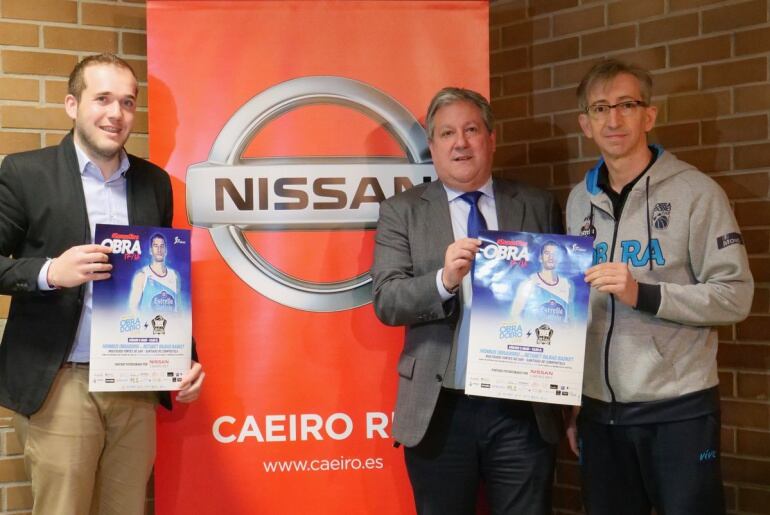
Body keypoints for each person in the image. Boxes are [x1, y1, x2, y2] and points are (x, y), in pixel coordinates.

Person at [0, 53, 205, 515]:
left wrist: (184, 358)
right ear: (72, 105)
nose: (116, 114)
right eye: (103, 99)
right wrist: (49, 271)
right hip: (61, 383)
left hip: (136, 382)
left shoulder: (155, 183)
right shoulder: (25, 174)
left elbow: (164, 280)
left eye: (128, 102)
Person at [565, 59, 753, 515]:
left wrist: (643, 294)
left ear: (649, 116)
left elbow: (735, 296)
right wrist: (573, 403)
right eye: (601, 108)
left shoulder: (696, 193)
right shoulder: (576, 201)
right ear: (585, 124)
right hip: (599, 414)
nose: (614, 119)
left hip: (678, 411)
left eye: (627, 105)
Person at [372, 87, 563, 515]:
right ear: (433, 146)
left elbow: (562, 298)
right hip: (440, 409)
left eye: (471, 129)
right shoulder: (402, 211)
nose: (460, 142)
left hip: (521, 408)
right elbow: (386, 300)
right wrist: (443, 280)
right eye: (446, 133)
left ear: (490, 139)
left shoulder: (536, 204)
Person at [510, 240, 573, 323]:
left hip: (559, 334)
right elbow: (515, 315)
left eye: (555, 254)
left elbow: (569, 318)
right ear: (540, 258)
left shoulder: (566, 285)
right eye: (547, 253)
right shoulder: (528, 283)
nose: (551, 257)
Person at [128, 232, 181, 313]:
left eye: (162, 246)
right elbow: (133, 309)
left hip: (171, 324)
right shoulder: (142, 275)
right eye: (155, 246)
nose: (159, 249)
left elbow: (179, 309)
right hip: (148, 324)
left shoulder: (174, 276)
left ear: (166, 250)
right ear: (150, 250)